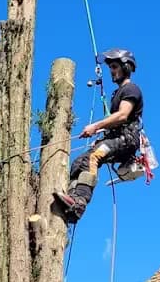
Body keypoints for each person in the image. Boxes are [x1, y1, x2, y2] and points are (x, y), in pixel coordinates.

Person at [54, 48, 143, 222]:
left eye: (115, 66)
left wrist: (96, 126)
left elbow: (123, 115)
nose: (112, 71)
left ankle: (79, 204)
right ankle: (71, 197)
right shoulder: (116, 94)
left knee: (93, 157)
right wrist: (103, 130)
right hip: (117, 136)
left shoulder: (131, 89)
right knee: (80, 162)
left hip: (127, 139)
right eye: (111, 67)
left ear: (125, 67)